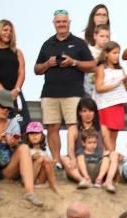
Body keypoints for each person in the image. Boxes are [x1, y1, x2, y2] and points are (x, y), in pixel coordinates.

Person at [34, 10, 95, 163]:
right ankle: (56, 161)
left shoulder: (79, 43)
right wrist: (48, 63)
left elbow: (92, 65)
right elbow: (36, 69)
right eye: (58, 21)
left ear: (69, 23)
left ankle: (73, 160)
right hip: (50, 93)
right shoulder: (47, 44)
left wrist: (73, 62)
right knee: (52, 127)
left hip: (73, 93)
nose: (61, 24)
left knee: (73, 127)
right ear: (54, 24)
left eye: (64, 21)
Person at [0, 90, 39, 205]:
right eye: (3, 106)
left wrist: (13, 144)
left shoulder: (13, 123)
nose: (6, 110)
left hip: (8, 168)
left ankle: (30, 192)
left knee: (24, 148)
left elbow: (17, 148)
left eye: (9, 108)